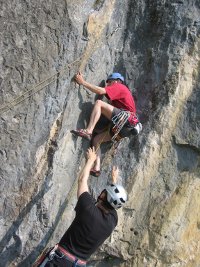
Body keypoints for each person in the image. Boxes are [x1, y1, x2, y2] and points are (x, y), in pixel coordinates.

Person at [33, 147, 127, 267]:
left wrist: (90, 160)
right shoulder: (112, 221)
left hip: (59, 260)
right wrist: (114, 181)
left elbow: (82, 180)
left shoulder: (88, 209)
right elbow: (111, 202)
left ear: (103, 195)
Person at [71, 72, 142, 177]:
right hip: (125, 130)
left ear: (116, 81)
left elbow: (101, 91)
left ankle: (88, 131)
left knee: (99, 103)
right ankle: (96, 168)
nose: (107, 85)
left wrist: (83, 82)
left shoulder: (120, 86)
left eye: (109, 82)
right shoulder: (118, 100)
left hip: (125, 120)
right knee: (96, 140)